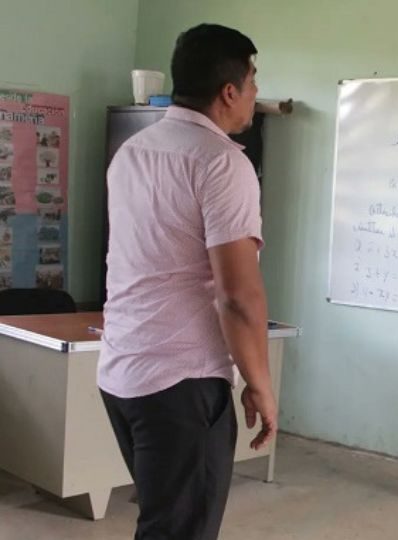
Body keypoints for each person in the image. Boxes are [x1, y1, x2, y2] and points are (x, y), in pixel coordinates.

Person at [98, 24, 276, 539]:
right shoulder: (221, 162)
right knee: (180, 529)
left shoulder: (134, 149)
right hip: (182, 381)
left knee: (165, 518)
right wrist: (260, 386)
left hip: (122, 372)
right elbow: (238, 296)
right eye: (252, 81)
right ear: (229, 92)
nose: (255, 94)